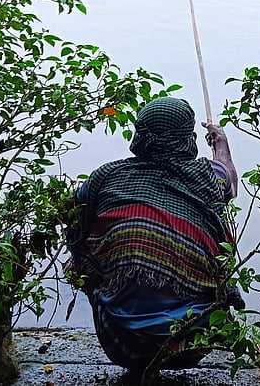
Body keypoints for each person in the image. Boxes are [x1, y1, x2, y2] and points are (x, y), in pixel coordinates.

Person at [66, 97, 244, 374]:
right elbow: (229, 177)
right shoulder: (210, 176)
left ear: (140, 135)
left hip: (122, 343)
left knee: (85, 258)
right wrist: (221, 143)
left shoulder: (106, 177)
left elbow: (71, 218)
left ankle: (134, 333)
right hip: (196, 340)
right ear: (187, 138)